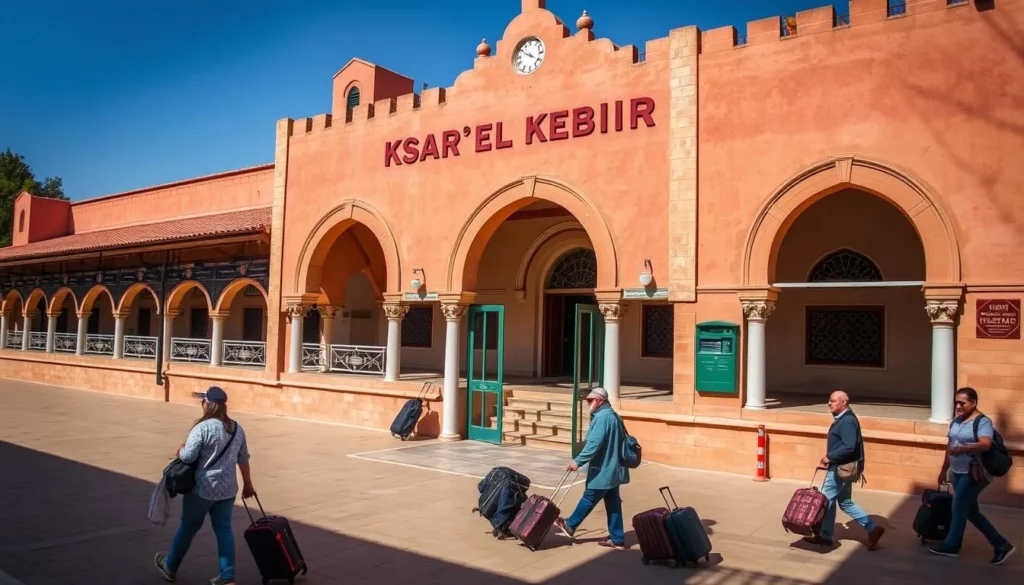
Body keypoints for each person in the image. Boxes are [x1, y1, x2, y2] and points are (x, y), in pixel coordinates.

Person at [155, 386, 256, 585]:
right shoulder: (236, 428)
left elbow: (189, 456)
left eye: (203, 400)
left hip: (202, 489)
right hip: (227, 490)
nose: (201, 403)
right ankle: (227, 576)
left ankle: (170, 566)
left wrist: (180, 450)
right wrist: (248, 485)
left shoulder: (202, 428)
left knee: (188, 527)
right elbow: (243, 458)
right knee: (224, 529)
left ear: (208, 404)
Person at [927, 387, 1015, 565]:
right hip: (958, 472)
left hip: (976, 473)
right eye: (956, 403)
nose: (958, 406)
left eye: (962, 403)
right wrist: (944, 469)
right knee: (971, 511)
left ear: (973, 403)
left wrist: (963, 449)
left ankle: (951, 546)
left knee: (959, 505)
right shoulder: (956, 421)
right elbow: (950, 444)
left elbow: (985, 444)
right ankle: (1001, 544)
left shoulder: (983, 422)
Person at [805, 390, 885, 550]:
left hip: (840, 469)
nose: (830, 403)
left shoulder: (847, 421)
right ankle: (870, 528)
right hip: (841, 467)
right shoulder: (843, 419)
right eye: (830, 400)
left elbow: (849, 446)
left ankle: (824, 534)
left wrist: (830, 458)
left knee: (825, 501)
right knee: (844, 502)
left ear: (844, 403)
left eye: (833, 401)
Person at [554, 387, 629, 549]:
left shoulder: (602, 417)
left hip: (603, 469)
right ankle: (617, 539)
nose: (588, 404)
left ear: (600, 400)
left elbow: (594, 443)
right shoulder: (615, 416)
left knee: (589, 497)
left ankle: (570, 525)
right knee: (613, 503)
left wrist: (578, 461)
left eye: (590, 401)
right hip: (615, 469)